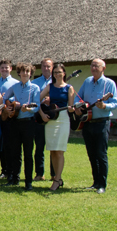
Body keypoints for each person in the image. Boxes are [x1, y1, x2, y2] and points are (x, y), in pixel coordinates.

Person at [74, 59, 117, 194]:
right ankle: (95, 182)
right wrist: (78, 107)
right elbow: (78, 97)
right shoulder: (87, 81)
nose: (93, 68)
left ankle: (102, 184)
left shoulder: (109, 84)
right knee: (91, 154)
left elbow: (114, 103)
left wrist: (105, 106)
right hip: (87, 122)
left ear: (103, 68)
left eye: (96, 66)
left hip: (101, 123)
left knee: (101, 154)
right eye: (92, 65)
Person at [37, 63, 76, 191]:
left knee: (59, 151)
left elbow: (71, 109)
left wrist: (73, 108)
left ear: (64, 73)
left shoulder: (69, 88)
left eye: (59, 72)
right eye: (55, 73)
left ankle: (58, 179)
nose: (57, 74)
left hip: (63, 119)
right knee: (53, 150)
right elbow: (36, 100)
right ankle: (56, 178)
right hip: (51, 119)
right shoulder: (49, 87)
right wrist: (42, 113)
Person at [4, 62, 40, 191]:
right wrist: (8, 107)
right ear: (19, 73)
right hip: (15, 122)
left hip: (28, 123)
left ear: (30, 73)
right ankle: (14, 179)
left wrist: (28, 109)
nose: (25, 74)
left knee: (28, 154)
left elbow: (37, 107)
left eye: (27, 71)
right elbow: (5, 99)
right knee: (15, 152)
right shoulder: (14, 87)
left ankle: (28, 182)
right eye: (23, 71)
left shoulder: (35, 88)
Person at [0, 60, 19, 181]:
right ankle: (4, 170)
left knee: (10, 145)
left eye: (6, 68)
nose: (4, 70)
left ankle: (12, 170)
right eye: (2, 68)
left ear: (11, 69)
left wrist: (8, 98)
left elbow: (18, 97)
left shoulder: (16, 83)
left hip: (10, 117)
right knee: (1, 145)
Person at [31, 58, 55, 182]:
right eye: (44, 66)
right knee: (39, 146)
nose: (46, 69)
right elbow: (33, 101)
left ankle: (54, 174)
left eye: (49, 66)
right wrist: (41, 101)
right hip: (39, 117)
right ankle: (39, 173)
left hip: (53, 118)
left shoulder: (57, 82)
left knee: (53, 147)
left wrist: (51, 100)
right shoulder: (35, 82)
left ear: (53, 67)